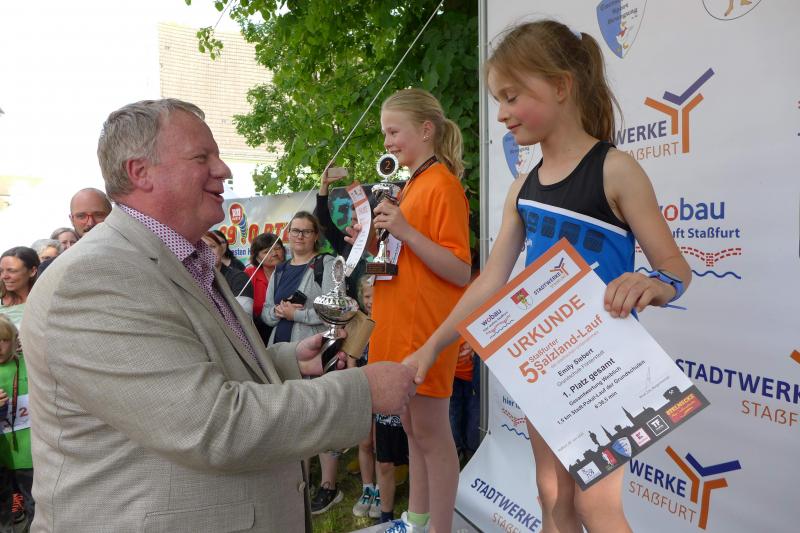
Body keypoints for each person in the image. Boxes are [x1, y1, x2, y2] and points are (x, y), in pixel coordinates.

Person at [20, 98, 417, 532]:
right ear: (140, 172)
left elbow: (193, 368)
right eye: (201, 157)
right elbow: (211, 425)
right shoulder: (97, 277)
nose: (224, 169)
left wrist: (285, 362)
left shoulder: (179, 257)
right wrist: (362, 391)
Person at [404, 21, 692, 533]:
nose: (501, 113)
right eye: (498, 99)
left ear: (561, 86)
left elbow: (675, 268)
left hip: (602, 370)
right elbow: (489, 281)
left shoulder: (615, 170)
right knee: (552, 494)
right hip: (545, 367)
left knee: (595, 507)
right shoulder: (522, 188)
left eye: (512, 96)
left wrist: (654, 284)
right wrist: (433, 346)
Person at [346, 88, 472, 533]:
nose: (387, 142)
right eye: (385, 133)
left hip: (425, 331)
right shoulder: (411, 186)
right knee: (412, 432)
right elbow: (407, 260)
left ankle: (440, 528)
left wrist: (406, 231)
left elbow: (460, 270)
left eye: (393, 131)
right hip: (398, 327)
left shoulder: (443, 185)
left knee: (433, 436)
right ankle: (417, 521)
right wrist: (373, 242)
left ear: (426, 130)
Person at [262, 211, 333, 345]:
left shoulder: (327, 264)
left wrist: (295, 314)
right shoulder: (279, 270)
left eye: (307, 232)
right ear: (288, 234)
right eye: (295, 231)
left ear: (316, 236)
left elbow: (334, 310)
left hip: (312, 351)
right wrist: (277, 311)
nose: (300, 236)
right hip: (277, 349)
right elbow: (266, 313)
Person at [0, 315, 33, 531]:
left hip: (29, 457)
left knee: (35, 507)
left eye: (3, 340)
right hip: (3, 460)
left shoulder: (28, 365)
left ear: (14, 339)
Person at [244, 233, 285, 345]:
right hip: (257, 331)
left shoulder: (291, 271)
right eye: (267, 251)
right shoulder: (249, 274)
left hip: (285, 325)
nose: (274, 253)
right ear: (257, 258)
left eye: (278, 248)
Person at [201, 231, 255, 314]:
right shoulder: (191, 278)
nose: (208, 251)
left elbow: (244, 314)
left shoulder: (238, 277)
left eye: (212, 246)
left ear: (221, 249)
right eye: (202, 248)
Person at [0, 247, 39, 326]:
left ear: (32, 271)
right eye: (1, 271)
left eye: (12, 271)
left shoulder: (43, 303)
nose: (4, 276)